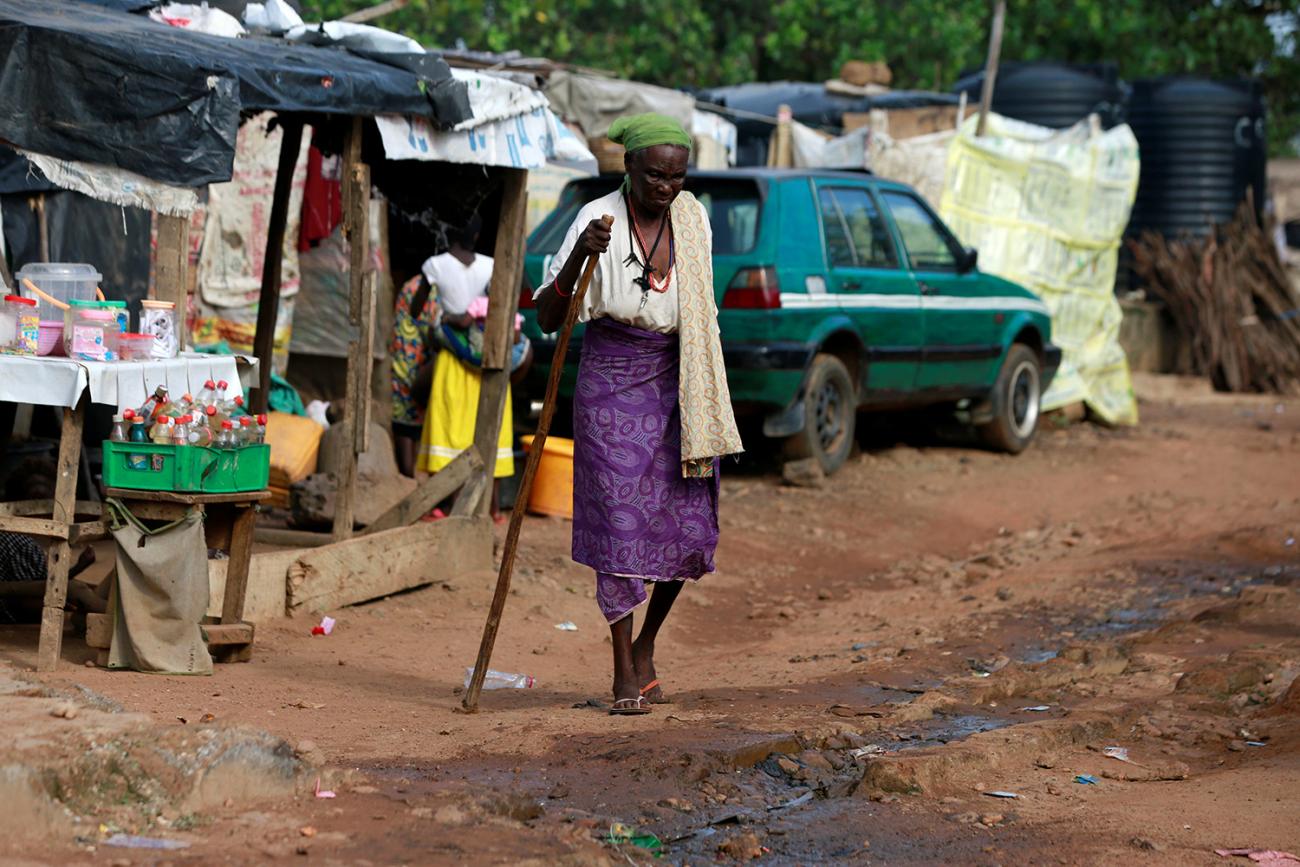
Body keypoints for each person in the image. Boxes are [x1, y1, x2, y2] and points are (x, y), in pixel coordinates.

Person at [535, 113, 744, 715]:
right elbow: (551, 317)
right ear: (628, 168)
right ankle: (622, 664)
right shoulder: (594, 218)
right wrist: (580, 255)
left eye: (677, 176)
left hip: (682, 379)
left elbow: (699, 304)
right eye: (655, 175)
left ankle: (648, 644)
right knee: (622, 523)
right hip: (611, 380)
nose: (666, 187)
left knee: (687, 520)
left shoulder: (693, 218)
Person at [416, 216, 515, 516]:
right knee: (493, 430)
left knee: (448, 428)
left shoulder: (434, 265)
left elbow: (415, 308)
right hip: (488, 358)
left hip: (452, 357)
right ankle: (493, 508)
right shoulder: (492, 265)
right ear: (477, 236)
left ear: (447, 233)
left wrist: (445, 318)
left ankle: (442, 504)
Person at [389, 271, 439, 477]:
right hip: (423, 344)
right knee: (407, 392)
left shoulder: (415, 286)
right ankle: (408, 476)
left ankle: (409, 474)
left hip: (429, 344)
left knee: (408, 394)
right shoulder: (415, 288)